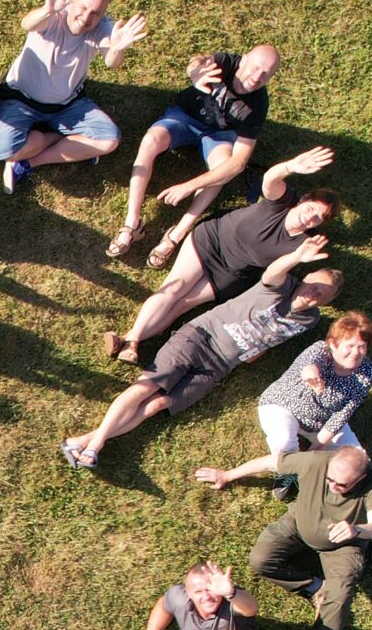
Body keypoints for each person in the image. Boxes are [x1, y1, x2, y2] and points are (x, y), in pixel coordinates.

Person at [57, 243, 340, 469]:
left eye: (323, 296)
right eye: (315, 286)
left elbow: (277, 335)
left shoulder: (310, 321)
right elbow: (275, 271)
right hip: (199, 338)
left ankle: (81, 441)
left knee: (157, 405)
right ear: (304, 279)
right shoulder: (281, 285)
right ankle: (95, 446)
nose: (315, 295)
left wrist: (259, 350)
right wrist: (296, 256)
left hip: (219, 366)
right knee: (146, 386)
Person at [106, 146, 338, 362]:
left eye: (317, 218)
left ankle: (125, 342)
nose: (310, 217)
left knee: (181, 305)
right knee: (174, 288)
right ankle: (133, 339)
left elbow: (276, 271)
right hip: (210, 241)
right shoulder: (281, 202)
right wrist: (291, 166)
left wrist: (298, 257)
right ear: (304, 200)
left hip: (230, 275)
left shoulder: (304, 243)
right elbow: (270, 179)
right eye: (310, 208)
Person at [196, 441, 372, 630]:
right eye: (330, 480)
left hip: (342, 545)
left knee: (339, 594)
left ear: (360, 479)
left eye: (342, 484)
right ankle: (315, 587)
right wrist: (226, 475)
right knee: (260, 560)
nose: (333, 486)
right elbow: (270, 463)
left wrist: (357, 530)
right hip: (298, 524)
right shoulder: (318, 461)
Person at [111, 46, 282, 264]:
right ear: (244, 59)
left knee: (224, 168)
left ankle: (177, 233)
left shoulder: (258, 104)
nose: (257, 77)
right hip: (183, 118)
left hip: (218, 135)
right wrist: (195, 72)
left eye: (266, 73)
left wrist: (188, 186)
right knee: (150, 141)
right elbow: (198, 61)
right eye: (256, 67)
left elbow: (238, 164)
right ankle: (132, 222)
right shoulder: (225, 63)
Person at [0, 0, 147, 193]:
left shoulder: (101, 28)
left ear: (103, 14)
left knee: (109, 140)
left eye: (95, 13)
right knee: (6, 149)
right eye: (83, 8)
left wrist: (116, 48)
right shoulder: (54, 14)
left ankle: (29, 163)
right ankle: (66, 139)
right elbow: (26, 24)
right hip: (21, 100)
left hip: (67, 105)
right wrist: (47, 9)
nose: (86, 18)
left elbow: (112, 63)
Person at [258, 313, 372, 457]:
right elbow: (310, 364)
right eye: (350, 346)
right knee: (284, 445)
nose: (356, 353)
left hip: (319, 422)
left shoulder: (367, 372)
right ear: (333, 344)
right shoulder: (320, 350)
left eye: (362, 347)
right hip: (282, 406)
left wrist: (314, 450)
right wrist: (312, 373)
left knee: (356, 457)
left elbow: (342, 415)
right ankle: (290, 475)